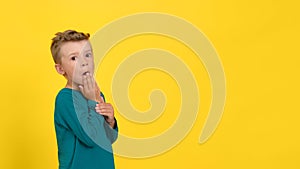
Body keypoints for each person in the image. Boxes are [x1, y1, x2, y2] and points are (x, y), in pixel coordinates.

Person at [50, 30, 118, 169]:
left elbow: (108, 139)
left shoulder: (97, 94)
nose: (84, 62)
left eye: (87, 55)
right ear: (60, 69)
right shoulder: (65, 99)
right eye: (74, 58)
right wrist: (93, 101)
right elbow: (89, 138)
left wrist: (111, 122)